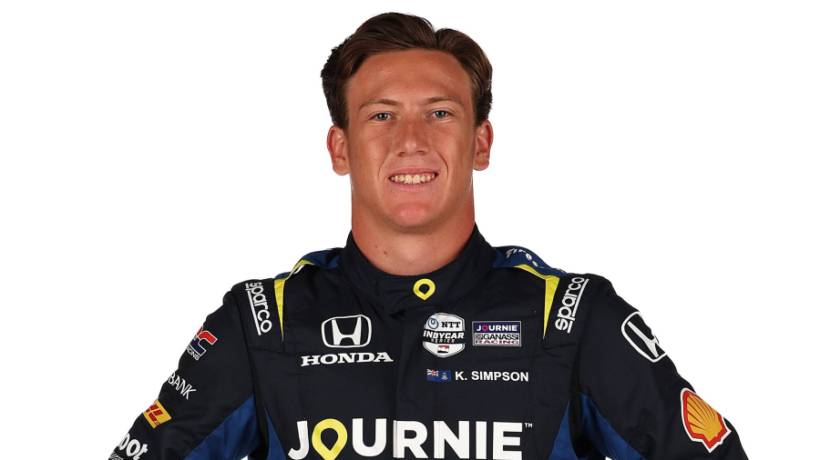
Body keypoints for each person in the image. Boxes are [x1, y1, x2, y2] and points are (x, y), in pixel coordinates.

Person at [110, 12, 748, 460]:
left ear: (480, 142)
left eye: (439, 113)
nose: (410, 140)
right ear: (340, 148)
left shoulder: (573, 319)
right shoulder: (261, 323)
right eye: (381, 115)